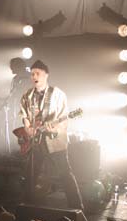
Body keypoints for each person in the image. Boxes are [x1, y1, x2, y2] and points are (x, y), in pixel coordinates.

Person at [18, 59, 84, 210]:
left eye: (38, 73)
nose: (34, 76)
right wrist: (28, 127)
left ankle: (78, 208)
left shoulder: (57, 94)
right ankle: (28, 206)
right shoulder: (27, 95)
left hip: (55, 142)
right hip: (36, 142)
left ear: (46, 75)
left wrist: (52, 128)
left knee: (65, 174)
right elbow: (24, 115)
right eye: (32, 74)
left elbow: (63, 118)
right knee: (30, 175)